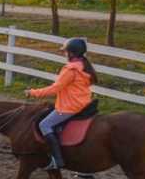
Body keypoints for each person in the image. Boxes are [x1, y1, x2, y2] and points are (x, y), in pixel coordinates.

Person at [26, 38, 98, 171]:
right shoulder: (83, 65)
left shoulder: (71, 69)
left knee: (44, 124)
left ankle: (57, 160)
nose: (64, 54)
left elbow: (55, 89)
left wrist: (33, 92)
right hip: (84, 103)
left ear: (71, 53)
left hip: (70, 106)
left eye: (65, 52)